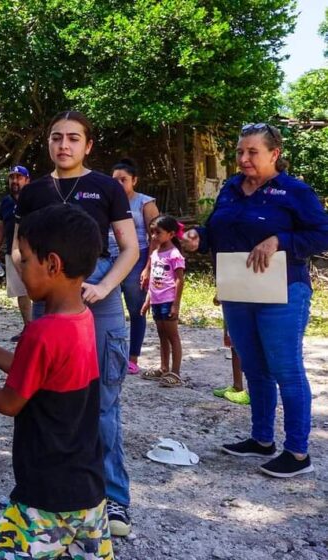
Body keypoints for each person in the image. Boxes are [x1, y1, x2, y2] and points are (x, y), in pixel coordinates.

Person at [0, 204, 113, 560]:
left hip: (45, 494)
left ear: (52, 264)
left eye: (24, 260)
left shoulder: (42, 332)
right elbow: (33, 373)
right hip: (87, 489)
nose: (18, 268)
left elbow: (10, 402)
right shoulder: (82, 318)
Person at [13, 111, 138, 536]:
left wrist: (102, 288)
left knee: (102, 406)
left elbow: (129, 248)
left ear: (88, 145)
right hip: (52, 305)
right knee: (50, 404)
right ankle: (51, 495)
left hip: (97, 305)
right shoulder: (32, 193)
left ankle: (115, 500)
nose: (63, 145)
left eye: (73, 138)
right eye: (56, 138)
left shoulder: (106, 187)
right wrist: (34, 285)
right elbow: (18, 250)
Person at [182, 123, 328, 478]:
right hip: (238, 290)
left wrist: (280, 240)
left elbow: (322, 234)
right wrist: (197, 237)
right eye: (239, 152)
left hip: (282, 291)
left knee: (286, 369)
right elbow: (216, 230)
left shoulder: (294, 191)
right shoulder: (231, 188)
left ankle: (297, 454)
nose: (243, 159)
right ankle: (262, 439)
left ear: (274, 155)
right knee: (254, 368)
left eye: (252, 153)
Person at [109, 159, 159, 374]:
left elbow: (156, 236)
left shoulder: (145, 203)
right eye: (115, 180)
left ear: (134, 181)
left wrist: (149, 265)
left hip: (137, 259)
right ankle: (108, 355)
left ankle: (133, 357)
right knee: (108, 309)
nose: (119, 184)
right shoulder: (106, 201)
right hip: (109, 258)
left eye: (124, 180)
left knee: (136, 308)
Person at [140, 215, 185, 387]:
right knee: (162, 335)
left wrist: (175, 304)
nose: (153, 236)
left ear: (171, 234)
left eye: (158, 232)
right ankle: (164, 367)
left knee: (173, 336)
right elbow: (152, 279)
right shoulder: (155, 253)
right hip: (157, 301)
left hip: (168, 300)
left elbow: (180, 280)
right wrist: (148, 300)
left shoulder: (174, 254)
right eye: (152, 232)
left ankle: (176, 373)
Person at [0, 165, 32, 342]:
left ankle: (42, 328)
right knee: (20, 292)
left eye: (19, 177)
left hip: (34, 253)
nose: (15, 181)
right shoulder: (5, 202)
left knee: (40, 290)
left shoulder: (34, 199)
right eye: (12, 177)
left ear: (27, 180)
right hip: (11, 252)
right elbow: (0, 228)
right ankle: (28, 328)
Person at [212, 297, 249, 405]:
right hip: (231, 305)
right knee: (234, 346)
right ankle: (237, 386)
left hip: (244, 303)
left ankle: (253, 393)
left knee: (246, 347)